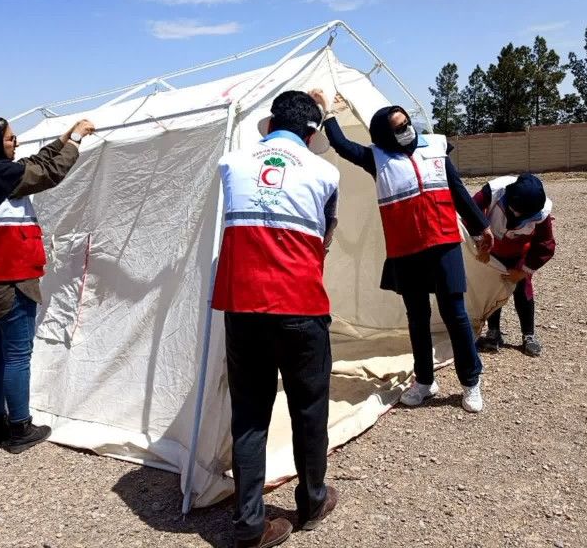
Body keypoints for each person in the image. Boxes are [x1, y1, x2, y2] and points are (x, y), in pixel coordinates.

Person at [211, 90, 340, 548]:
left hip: (242, 305)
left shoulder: (231, 163)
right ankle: (312, 501)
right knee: (309, 407)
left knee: (249, 414)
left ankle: (248, 525)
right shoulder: (326, 171)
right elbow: (325, 237)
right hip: (301, 304)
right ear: (312, 132)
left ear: (271, 123)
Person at [318, 93, 494, 413]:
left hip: (444, 245)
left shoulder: (436, 149)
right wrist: (328, 114)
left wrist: (481, 227)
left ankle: (471, 381)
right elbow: (342, 145)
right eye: (399, 128)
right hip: (407, 252)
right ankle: (425, 381)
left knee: (455, 315)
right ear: (385, 135)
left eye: (407, 124)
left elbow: (457, 190)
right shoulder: (377, 158)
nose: (408, 130)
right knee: (417, 318)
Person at [0, 115, 94, 453]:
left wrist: (63, 138)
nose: (15, 143)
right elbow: (48, 172)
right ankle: (20, 428)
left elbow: (35, 163)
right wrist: (76, 141)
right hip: (10, 279)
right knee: (17, 355)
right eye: (10, 139)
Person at [473, 174, 556, 357]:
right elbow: (470, 212)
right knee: (493, 289)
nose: (518, 217)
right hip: (492, 249)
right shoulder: (493, 191)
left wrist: (522, 271)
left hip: (520, 254)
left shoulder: (541, 213)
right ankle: (493, 333)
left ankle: (529, 335)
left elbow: (545, 245)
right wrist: (480, 243)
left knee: (523, 290)